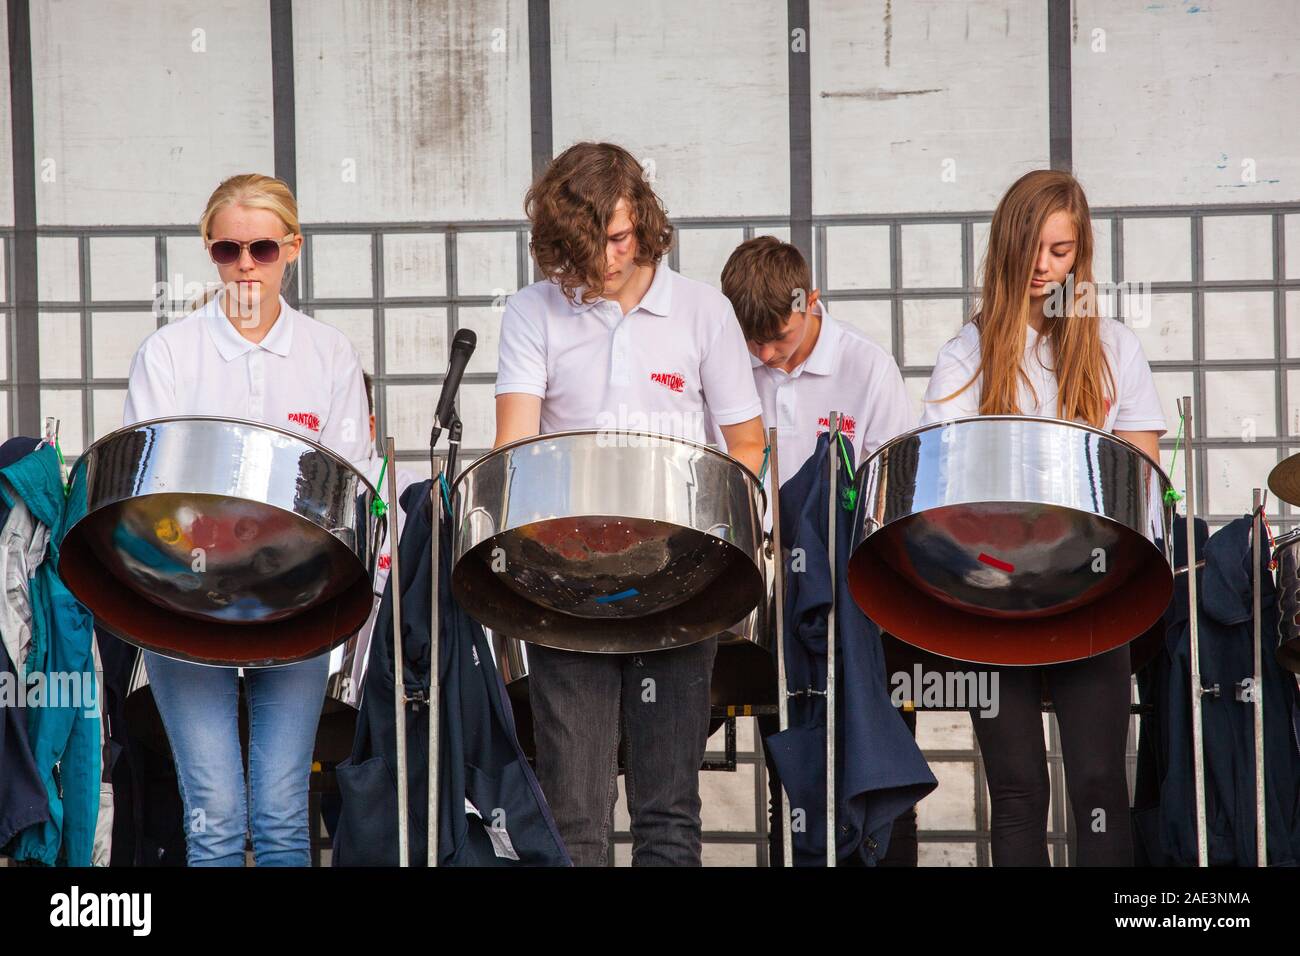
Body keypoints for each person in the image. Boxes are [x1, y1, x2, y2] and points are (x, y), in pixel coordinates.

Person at [494, 141, 765, 866]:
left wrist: (704, 541)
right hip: (568, 585)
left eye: (619, 238)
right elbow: (514, 452)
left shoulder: (702, 312)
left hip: (681, 585)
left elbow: (747, 446)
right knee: (576, 814)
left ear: (644, 218)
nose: (608, 261)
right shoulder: (532, 312)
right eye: (588, 248)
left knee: (668, 811)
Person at [122, 173, 372, 866]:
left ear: (292, 248)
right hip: (185, 604)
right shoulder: (169, 354)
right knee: (215, 819)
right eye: (227, 249)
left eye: (261, 248)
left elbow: (353, 486)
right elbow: (148, 498)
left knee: (284, 815)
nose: (243, 266)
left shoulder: (328, 354)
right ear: (208, 249)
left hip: (295, 602)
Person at [920, 169, 1166, 866]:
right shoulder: (964, 355)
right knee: (1020, 789)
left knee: (1096, 785)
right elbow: (941, 489)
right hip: (995, 597)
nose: (1043, 267)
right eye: (1031, 248)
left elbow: (1141, 481)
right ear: (1006, 247)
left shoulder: (1115, 347)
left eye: (1060, 252)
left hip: (1093, 592)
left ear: (1080, 255)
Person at [713, 236, 918, 865]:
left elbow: (895, 501)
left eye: (778, 336)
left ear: (812, 301)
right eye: (753, 342)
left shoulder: (866, 365)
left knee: (875, 758)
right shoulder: (729, 364)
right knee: (795, 765)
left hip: (855, 601)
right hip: (772, 593)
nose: (766, 354)